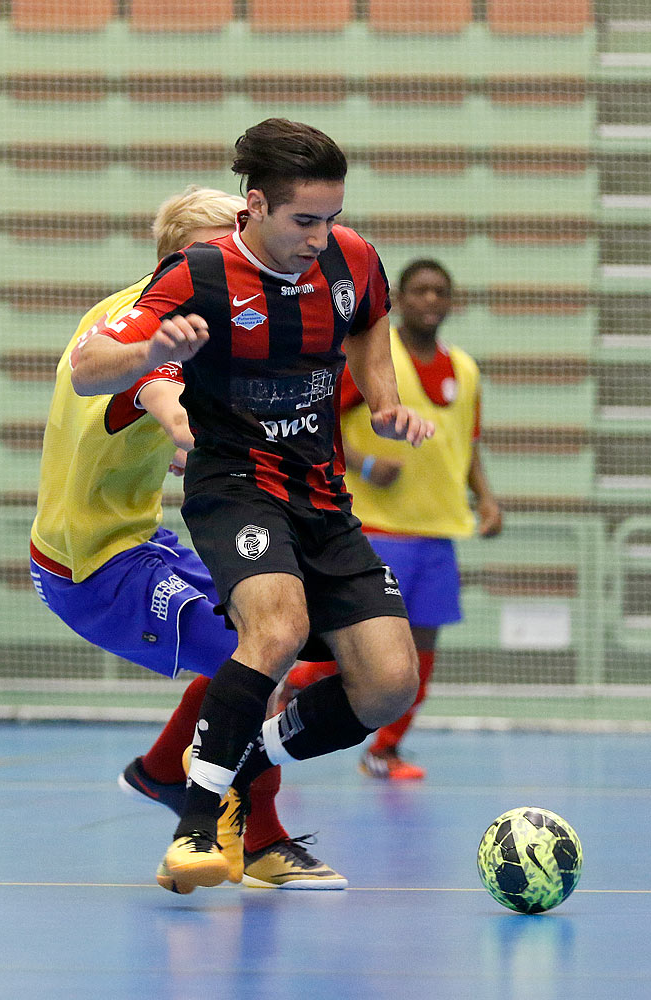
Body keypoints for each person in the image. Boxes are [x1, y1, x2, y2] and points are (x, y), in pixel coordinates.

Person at [71, 118, 437, 892]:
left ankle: (250, 753)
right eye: (305, 220)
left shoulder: (353, 257)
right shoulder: (201, 273)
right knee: (278, 628)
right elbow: (89, 366)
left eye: (331, 217)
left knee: (389, 684)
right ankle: (196, 827)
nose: (321, 236)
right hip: (235, 486)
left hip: (322, 498)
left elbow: (371, 317)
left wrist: (383, 400)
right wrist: (152, 353)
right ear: (256, 204)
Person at [28, 184, 347, 890]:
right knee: (258, 658)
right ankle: (255, 837)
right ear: (185, 259)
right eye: (228, 248)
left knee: (263, 633)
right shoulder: (152, 334)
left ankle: (163, 771)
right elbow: (157, 394)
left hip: (135, 538)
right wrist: (193, 433)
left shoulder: (129, 306)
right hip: (94, 569)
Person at [285, 258, 503, 781]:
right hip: (378, 531)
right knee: (363, 651)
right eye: (420, 291)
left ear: (451, 301)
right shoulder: (377, 362)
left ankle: (385, 751)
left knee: (420, 660)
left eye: (440, 291)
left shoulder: (467, 370)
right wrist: (362, 462)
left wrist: (487, 499)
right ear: (400, 299)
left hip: (438, 535)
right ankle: (291, 688)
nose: (431, 300)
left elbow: (466, 445)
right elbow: (315, 422)